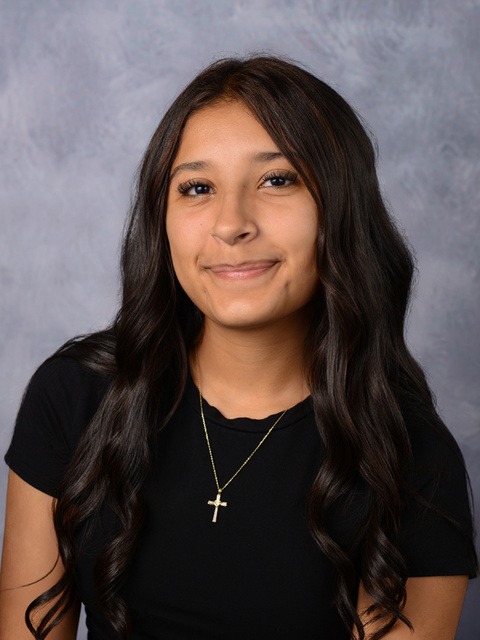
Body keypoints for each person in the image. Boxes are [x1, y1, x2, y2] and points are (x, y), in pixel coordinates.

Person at [0, 55, 477, 640]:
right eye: (197, 188)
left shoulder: (409, 456)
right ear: (161, 218)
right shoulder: (74, 396)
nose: (231, 224)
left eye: (277, 180)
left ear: (341, 206)